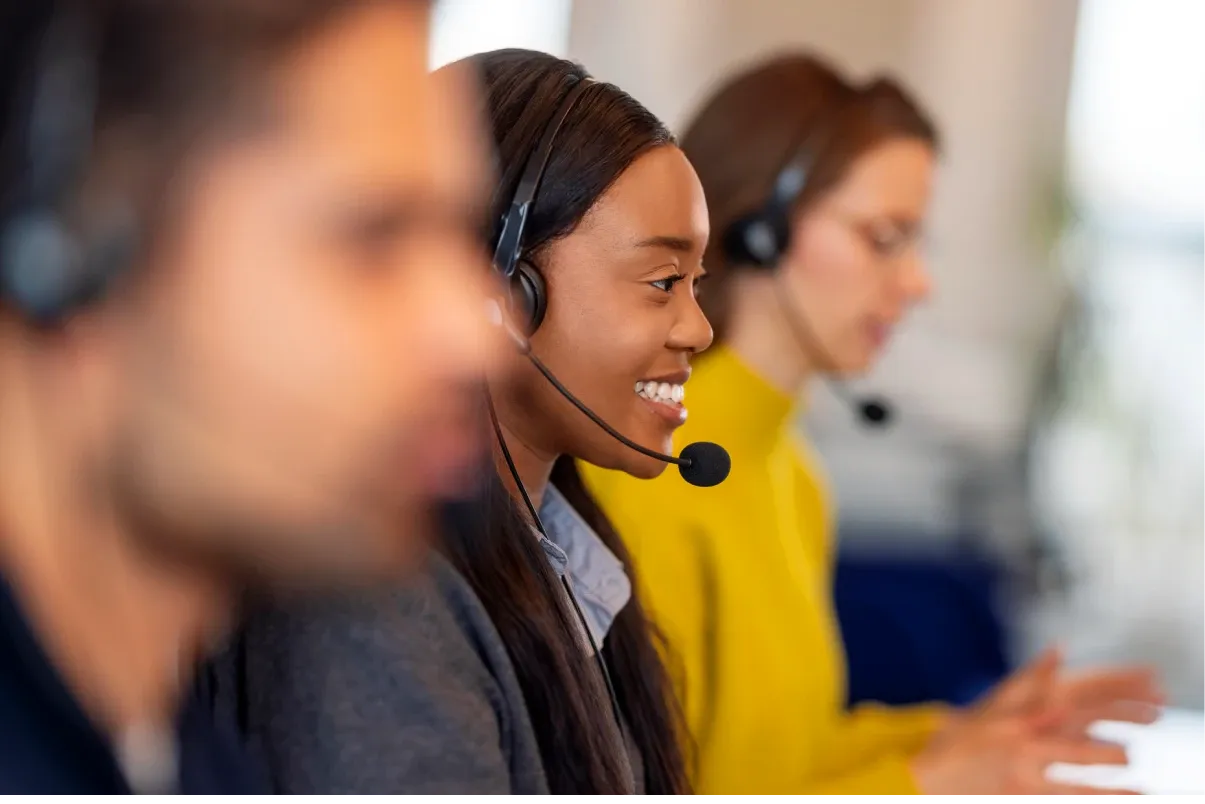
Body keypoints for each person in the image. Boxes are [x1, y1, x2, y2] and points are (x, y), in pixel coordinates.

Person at [580, 52, 1163, 798]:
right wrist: (931, 783)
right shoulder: (647, 470)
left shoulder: (789, 474)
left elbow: (788, 754)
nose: (918, 282)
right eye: (883, 238)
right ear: (762, 230)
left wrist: (970, 735)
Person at [0, 0, 493, 796]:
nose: (475, 337)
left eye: (459, 239)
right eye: (372, 239)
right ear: (66, 253)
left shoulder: (174, 753)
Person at [221, 49, 711, 800]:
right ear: (503, 292)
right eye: (662, 282)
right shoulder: (376, 609)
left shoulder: (564, 556)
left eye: (695, 284)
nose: (699, 330)